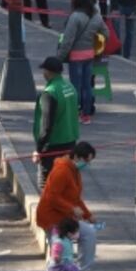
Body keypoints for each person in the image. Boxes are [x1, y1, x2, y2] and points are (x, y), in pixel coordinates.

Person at [35, 142, 100, 271]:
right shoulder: (62, 171)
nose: (87, 164)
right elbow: (52, 197)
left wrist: (88, 215)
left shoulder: (73, 170)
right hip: (52, 218)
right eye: (86, 160)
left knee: (88, 233)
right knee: (60, 253)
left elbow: (75, 197)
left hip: (64, 217)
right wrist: (72, 209)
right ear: (76, 157)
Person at [57, 0, 107, 125]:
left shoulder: (75, 17)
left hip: (76, 56)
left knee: (75, 87)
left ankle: (74, 113)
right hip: (90, 55)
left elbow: (67, 40)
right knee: (87, 86)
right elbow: (106, 33)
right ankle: (86, 114)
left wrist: (59, 58)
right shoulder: (96, 17)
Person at [33, 57, 80, 188]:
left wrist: (39, 149)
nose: (43, 73)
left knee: (47, 185)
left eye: (44, 70)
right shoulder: (70, 87)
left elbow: (46, 126)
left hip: (53, 146)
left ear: (48, 72)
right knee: (65, 182)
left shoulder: (50, 93)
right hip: (70, 142)